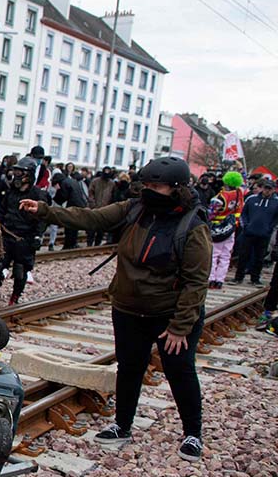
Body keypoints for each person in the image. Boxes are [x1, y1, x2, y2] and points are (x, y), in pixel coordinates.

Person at [18, 156, 211, 459]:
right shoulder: (135, 208)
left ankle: (192, 434)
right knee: (129, 368)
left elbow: (196, 282)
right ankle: (122, 424)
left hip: (168, 315)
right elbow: (90, 218)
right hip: (129, 309)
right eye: (146, 185)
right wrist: (44, 210)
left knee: (180, 371)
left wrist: (180, 326)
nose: (148, 190)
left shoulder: (192, 226)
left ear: (176, 188)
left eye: (156, 186)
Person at [0, 157, 44, 308]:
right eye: (15, 171)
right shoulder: (10, 192)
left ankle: (15, 297)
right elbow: (0, 212)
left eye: (20, 172)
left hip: (24, 239)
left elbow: (42, 218)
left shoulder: (37, 195)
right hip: (6, 237)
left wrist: (38, 235)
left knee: (20, 270)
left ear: (28, 174)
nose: (16, 175)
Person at [234, 177, 278, 285]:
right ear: (263, 188)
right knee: (243, 255)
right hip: (249, 232)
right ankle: (238, 277)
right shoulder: (252, 199)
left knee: (259, 257)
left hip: (264, 234)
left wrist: (270, 228)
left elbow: (276, 218)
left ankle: (255, 278)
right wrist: (246, 226)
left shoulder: (276, 202)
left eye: (270, 189)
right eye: (266, 188)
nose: (267, 190)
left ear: (273, 190)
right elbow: (243, 213)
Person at [207, 194, 235, 289]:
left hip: (216, 235)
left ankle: (212, 279)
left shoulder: (211, 211)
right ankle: (219, 280)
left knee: (214, 256)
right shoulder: (230, 211)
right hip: (228, 233)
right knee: (224, 257)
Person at [87, 167, 116, 245]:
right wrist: (93, 205)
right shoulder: (95, 181)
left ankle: (97, 244)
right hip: (94, 209)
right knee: (91, 229)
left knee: (101, 230)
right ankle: (89, 244)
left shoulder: (112, 183)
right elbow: (90, 194)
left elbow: (113, 196)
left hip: (105, 210)